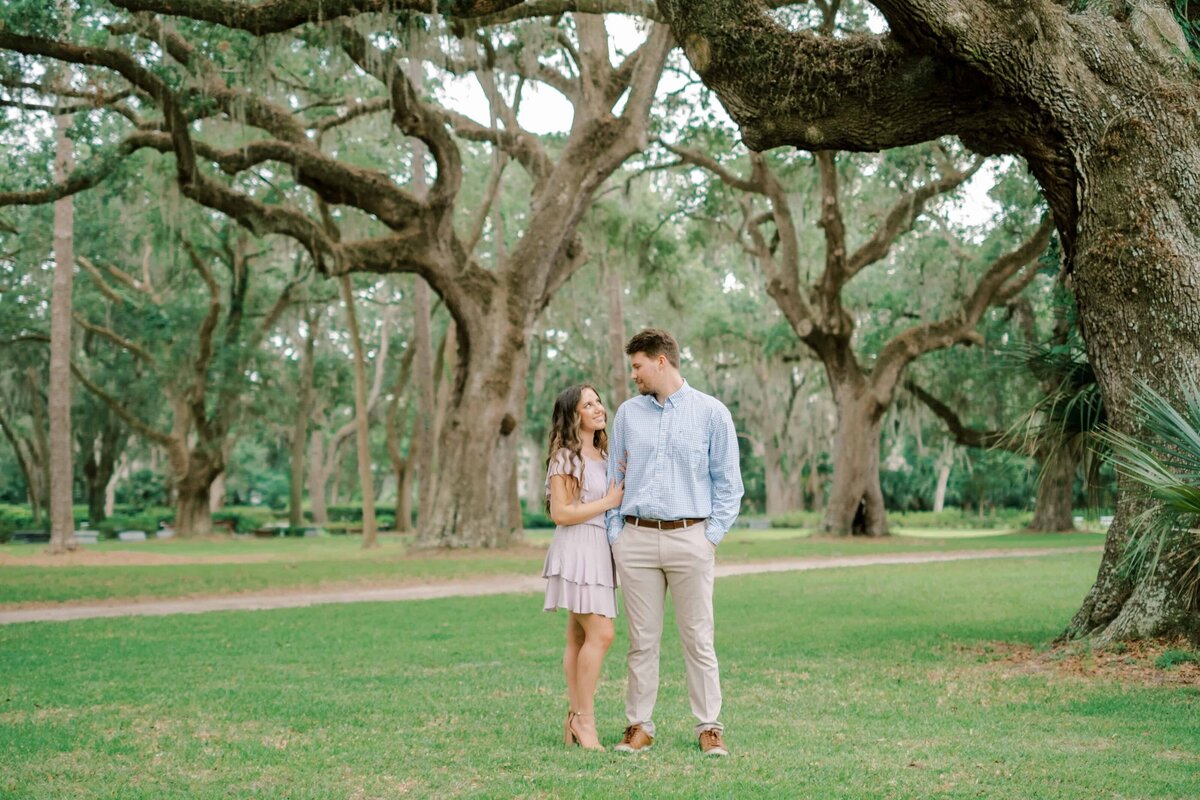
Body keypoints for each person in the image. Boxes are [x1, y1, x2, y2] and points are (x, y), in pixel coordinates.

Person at [605, 328, 744, 757]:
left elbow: (729, 484)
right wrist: (617, 536)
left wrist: (710, 537)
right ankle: (639, 727)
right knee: (641, 642)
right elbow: (615, 476)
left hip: (691, 538)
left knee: (698, 638)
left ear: (661, 361)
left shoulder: (712, 413)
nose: (635, 375)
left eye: (638, 366)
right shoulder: (628, 414)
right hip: (637, 539)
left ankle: (709, 728)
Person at [542, 383, 625, 751]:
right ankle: (584, 720)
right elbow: (561, 513)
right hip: (577, 548)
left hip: (600, 549)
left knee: (578, 637)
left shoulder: (604, 453)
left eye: (598, 401)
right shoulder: (565, 457)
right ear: (573, 414)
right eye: (587, 404)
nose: (597, 408)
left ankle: (574, 718)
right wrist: (608, 502)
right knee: (602, 633)